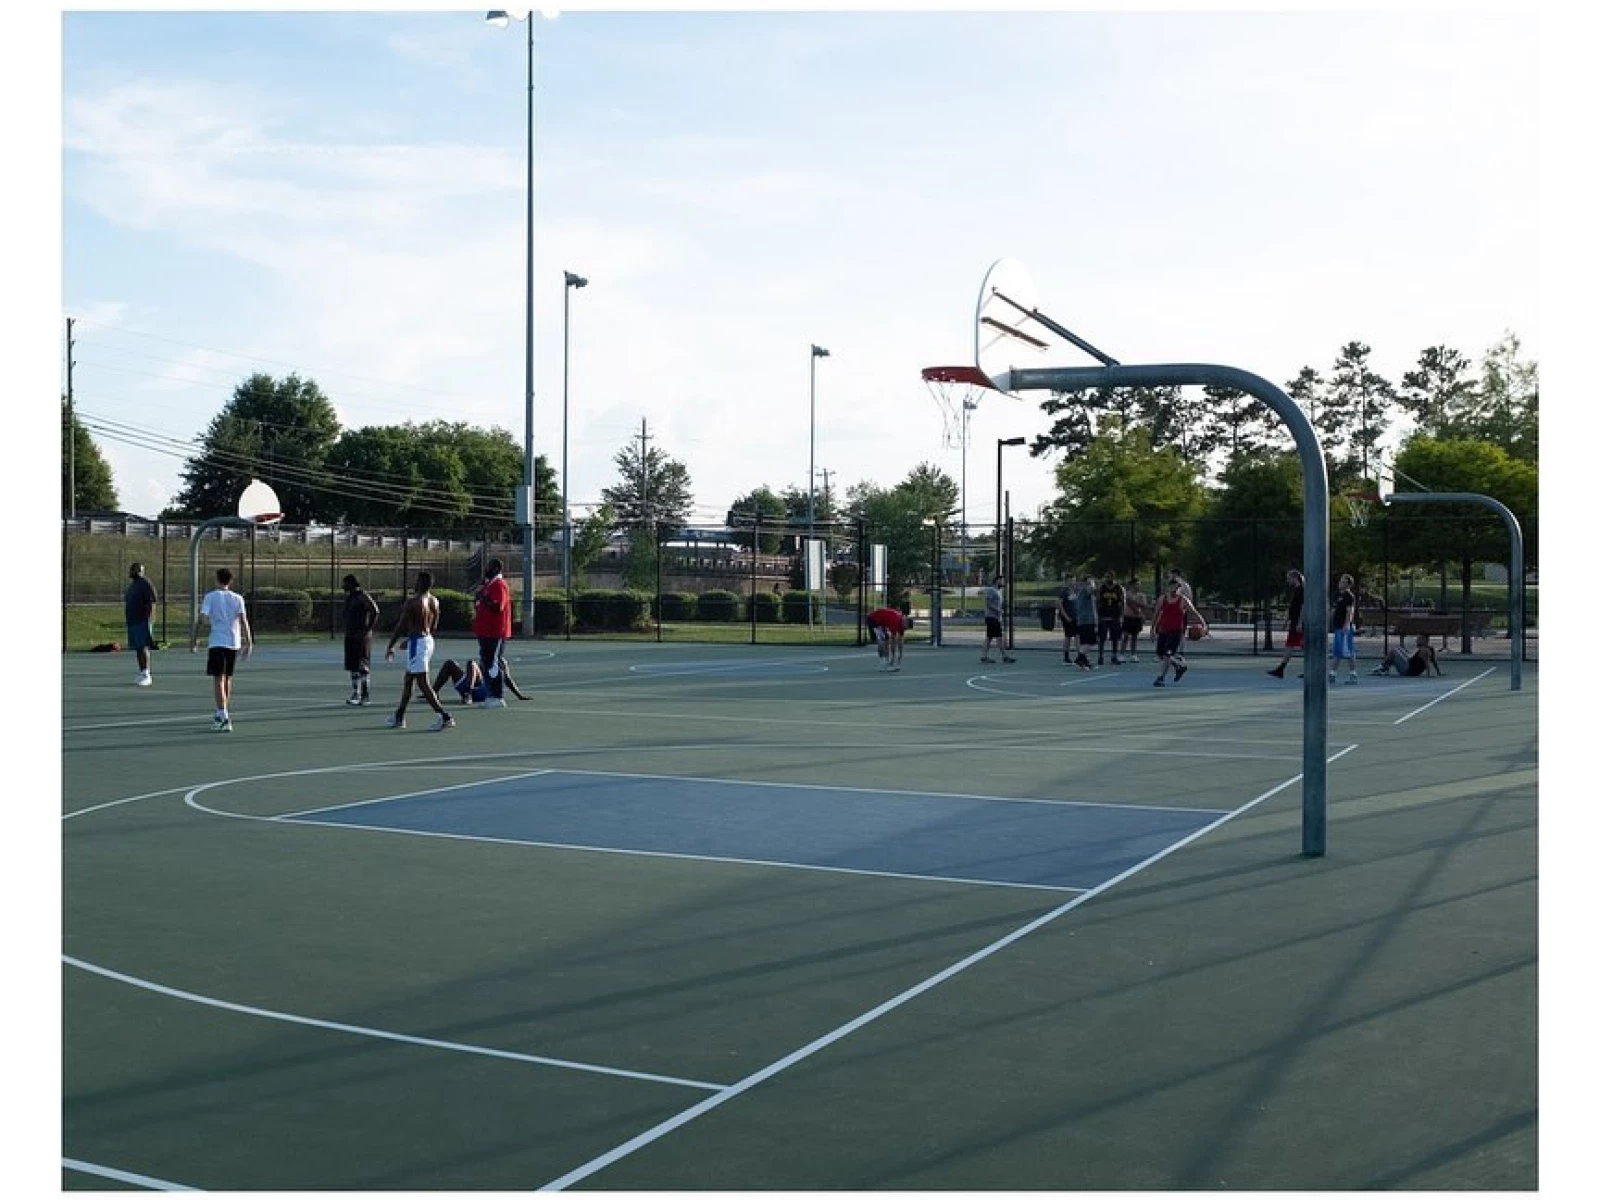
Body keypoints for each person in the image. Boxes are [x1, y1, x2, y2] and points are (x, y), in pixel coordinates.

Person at [383, 571, 455, 732]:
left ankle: (444, 716)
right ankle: (399, 716)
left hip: (418, 643)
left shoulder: (413, 602)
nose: (415, 584)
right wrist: (412, 639)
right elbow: (433, 627)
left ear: (421, 583)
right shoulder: (434, 601)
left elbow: (401, 625)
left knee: (422, 681)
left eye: (417, 581)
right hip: (427, 640)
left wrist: (391, 645)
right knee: (409, 679)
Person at [189, 566, 253, 731]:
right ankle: (222, 713)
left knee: (218, 679)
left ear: (217, 579)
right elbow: (244, 621)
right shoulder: (238, 598)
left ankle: (223, 715)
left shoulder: (211, 597)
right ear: (230, 581)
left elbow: (202, 619)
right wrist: (249, 642)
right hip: (233, 642)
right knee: (227, 678)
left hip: (217, 641)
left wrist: (195, 639)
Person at [473, 557, 514, 709]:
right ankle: (491, 694)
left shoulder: (499, 585)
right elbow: (480, 603)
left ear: (496, 568)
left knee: (493, 664)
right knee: (486, 662)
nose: (486, 569)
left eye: (489, 567)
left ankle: (498, 696)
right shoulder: (489, 584)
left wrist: (484, 598)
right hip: (485, 631)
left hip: (495, 632)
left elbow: (497, 607)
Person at [1151, 575, 1206, 687]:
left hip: (1175, 631)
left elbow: (1194, 612)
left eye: (1177, 587)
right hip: (1163, 630)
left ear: (1180, 588)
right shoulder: (1162, 599)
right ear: (1168, 587)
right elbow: (1156, 614)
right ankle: (1179, 666)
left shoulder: (1183, 600)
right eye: (1172, 587)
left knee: (1167, 654)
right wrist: (1152, 629)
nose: (1174, 590)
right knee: (1161, 654)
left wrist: (1203, 625)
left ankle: (1161, 678)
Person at [341, 574, 381, 706]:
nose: (343, 586)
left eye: (345, 583)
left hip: (362, 637)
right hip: (350, 635)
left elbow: (375, 611)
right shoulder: (349, 597)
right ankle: (355, 693)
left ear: (352, 583)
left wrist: (367, 630)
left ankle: (365, 695)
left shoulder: (362, 595)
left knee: (363, 666)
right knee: (353, 666)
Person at [1266, 568, 1306, 679]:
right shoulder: (1297, 590)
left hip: (1298, 622)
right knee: (1300, 645)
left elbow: (1303, 607)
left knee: (1291, 645)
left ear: (1295, 578)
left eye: (1289, 578)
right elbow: (1292, 608)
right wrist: (1286, 621)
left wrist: (1299, 622)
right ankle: (1307, 669)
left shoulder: (1301, 590)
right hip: (1295, 621)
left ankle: (1281, 669)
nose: (1288, 581)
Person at [125, 561, 158, 687]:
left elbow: (152, 600)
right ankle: (142, 671)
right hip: (133, 621)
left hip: (142, 620)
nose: (133, 571)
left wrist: (149, 618)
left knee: (143, 646)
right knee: (138, 647)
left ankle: (146, 673)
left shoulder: (145, 583)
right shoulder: (133, 585)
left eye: (136, 569)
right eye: (132, 569)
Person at [1330, 572, 1360, 685]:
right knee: (1337, 651)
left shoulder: (1349, 596)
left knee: (1349, 651)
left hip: (1344, 628)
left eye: (1343, 581)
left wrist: (1346, 625)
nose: (1340, 583)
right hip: (1338, 627)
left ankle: (1353, 674)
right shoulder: (1339, 595)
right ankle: (1332, 673)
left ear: (1348, 584)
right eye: (1340, 581)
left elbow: (1350, 612)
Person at [1371, 633, 1444, 678]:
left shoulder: (1424, 650)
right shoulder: (1430, 649)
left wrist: (1428, 675)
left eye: (1419, 639)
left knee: (1393, 651)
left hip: (1408, 671)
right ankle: (1384, 668)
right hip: (1411, 668)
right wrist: (1439, 673)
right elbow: (1434, 662)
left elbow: (1427, 662)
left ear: (1425, 641)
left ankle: (1383, 667)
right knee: (1399, 649)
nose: (1417, 640)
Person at [980, 575, 1015, 664]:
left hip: (995, 618)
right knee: (999, 637)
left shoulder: (998, 591)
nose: (1003, 583)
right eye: (1001, 581)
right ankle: (1005, 656)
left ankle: (984, 656)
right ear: (997, 581)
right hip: (992, 618)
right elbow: (988, 603)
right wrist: (998, 610)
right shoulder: (991, 590)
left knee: (989, 638)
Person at [865, 605, 909, 671]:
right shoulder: (895, 620)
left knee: (886, 640)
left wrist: (900, 658)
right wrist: (893, 659)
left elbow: (900, 642)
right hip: (873, 620)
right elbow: (893, 642)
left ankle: (887, 662)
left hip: (881, 622)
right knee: (884, 641)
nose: (904, 629)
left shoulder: (902, 622)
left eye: (906, 629)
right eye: (905, 627)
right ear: (904, 622)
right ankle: (884, 663)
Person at [1096, 573, 1126, 666]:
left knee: (1115, 638)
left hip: (1115, 616)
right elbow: (1097, 601)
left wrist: (1121, 616)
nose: (1108, 578)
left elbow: (1123, 602)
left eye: (1110, 577)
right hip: (1103, 616)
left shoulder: (1119, 588)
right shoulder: (1102, 588)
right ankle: (1100, 656)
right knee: (1102, 638)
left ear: (1114, 577)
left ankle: (1114, 656)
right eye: (1107, 577)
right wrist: (1098, 615)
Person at [1071, 575, 1098, 670]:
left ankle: (1084, 662)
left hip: (1082, 620)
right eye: (1090, 582)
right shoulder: (1085, 590)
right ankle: (1080, 658)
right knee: (1091, 642)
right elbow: (1092, 590)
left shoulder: (1079, 591)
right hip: (1087, 620)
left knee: (1084, 642)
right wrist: (1092, 584)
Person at [1055, 575, 1081, 664]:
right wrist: (1066, 616)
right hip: (1068, 618)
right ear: (1067, 581)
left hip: (1076, 617)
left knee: (1078, 636)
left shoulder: (1076, 591)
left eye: (1074, 580)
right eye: (1071, 580)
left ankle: (1079, 656)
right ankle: (1066, 658)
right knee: (1068, 637)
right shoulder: (1064, 591)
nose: (1073, 582)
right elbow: (1059, 604)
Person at [1120, 578, 1147, 663]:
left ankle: (1133, 654)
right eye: (1137, 584)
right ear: (1132, 585)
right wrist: (1135, 604)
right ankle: (1122, 654)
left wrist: (1135, 603)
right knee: (1125, 636)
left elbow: (1143, 605)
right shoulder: (1126, 594)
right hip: (1127, 617)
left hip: (1137, 618)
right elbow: (1126, 602)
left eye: (1139, 584)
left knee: (1134, 637)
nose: (1138, 586)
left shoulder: (1141, 595)